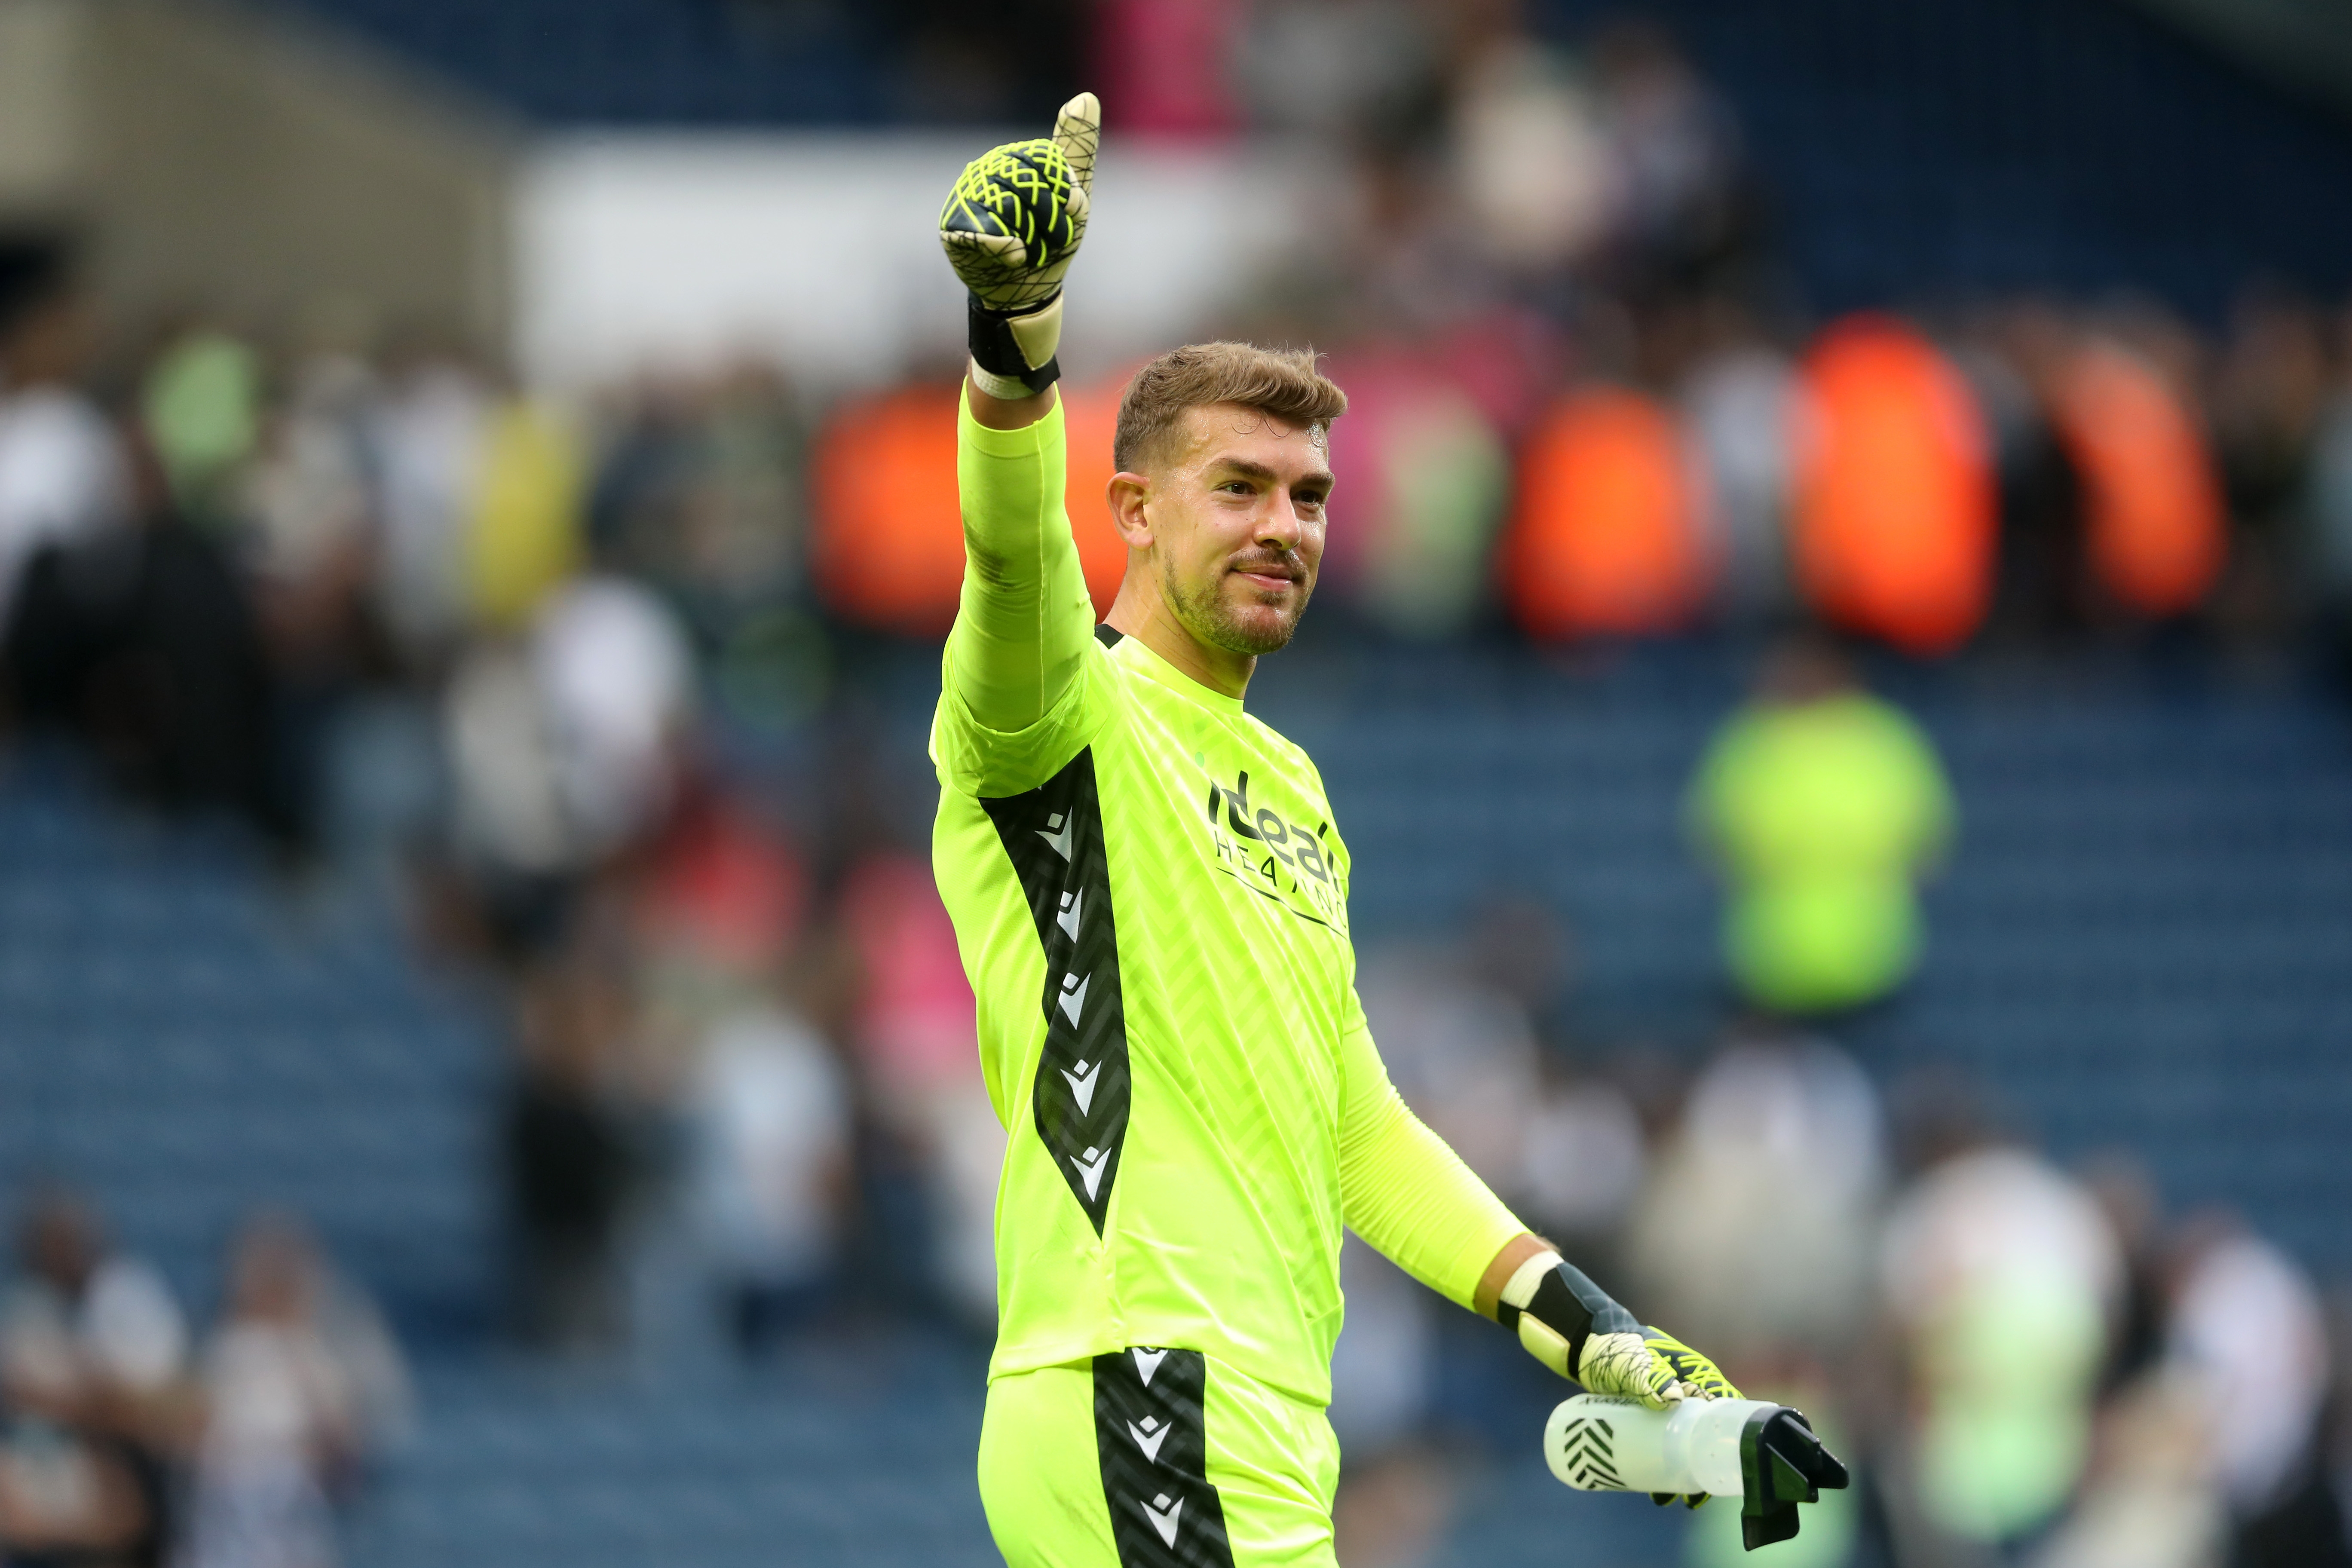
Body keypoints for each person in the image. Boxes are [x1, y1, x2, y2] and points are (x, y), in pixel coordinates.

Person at [928, 95, 1740, 1567]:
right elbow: (1009, 555)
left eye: (1308, 495)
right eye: (1235, 486)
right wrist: (1016, 344)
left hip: (1259, 1415)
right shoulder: (1061, 717)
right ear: (1131, 507)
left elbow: (1356, 1125)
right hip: (1143, 1378)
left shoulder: (1291, 787)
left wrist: (1593, 1327)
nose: (1284, 525)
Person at [1687, 632, 1954, 1023]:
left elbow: (1928, 845)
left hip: (1868, 960)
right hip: (1776, 961)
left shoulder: (1880, 737)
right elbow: (1713, 840)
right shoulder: (1754, 738)